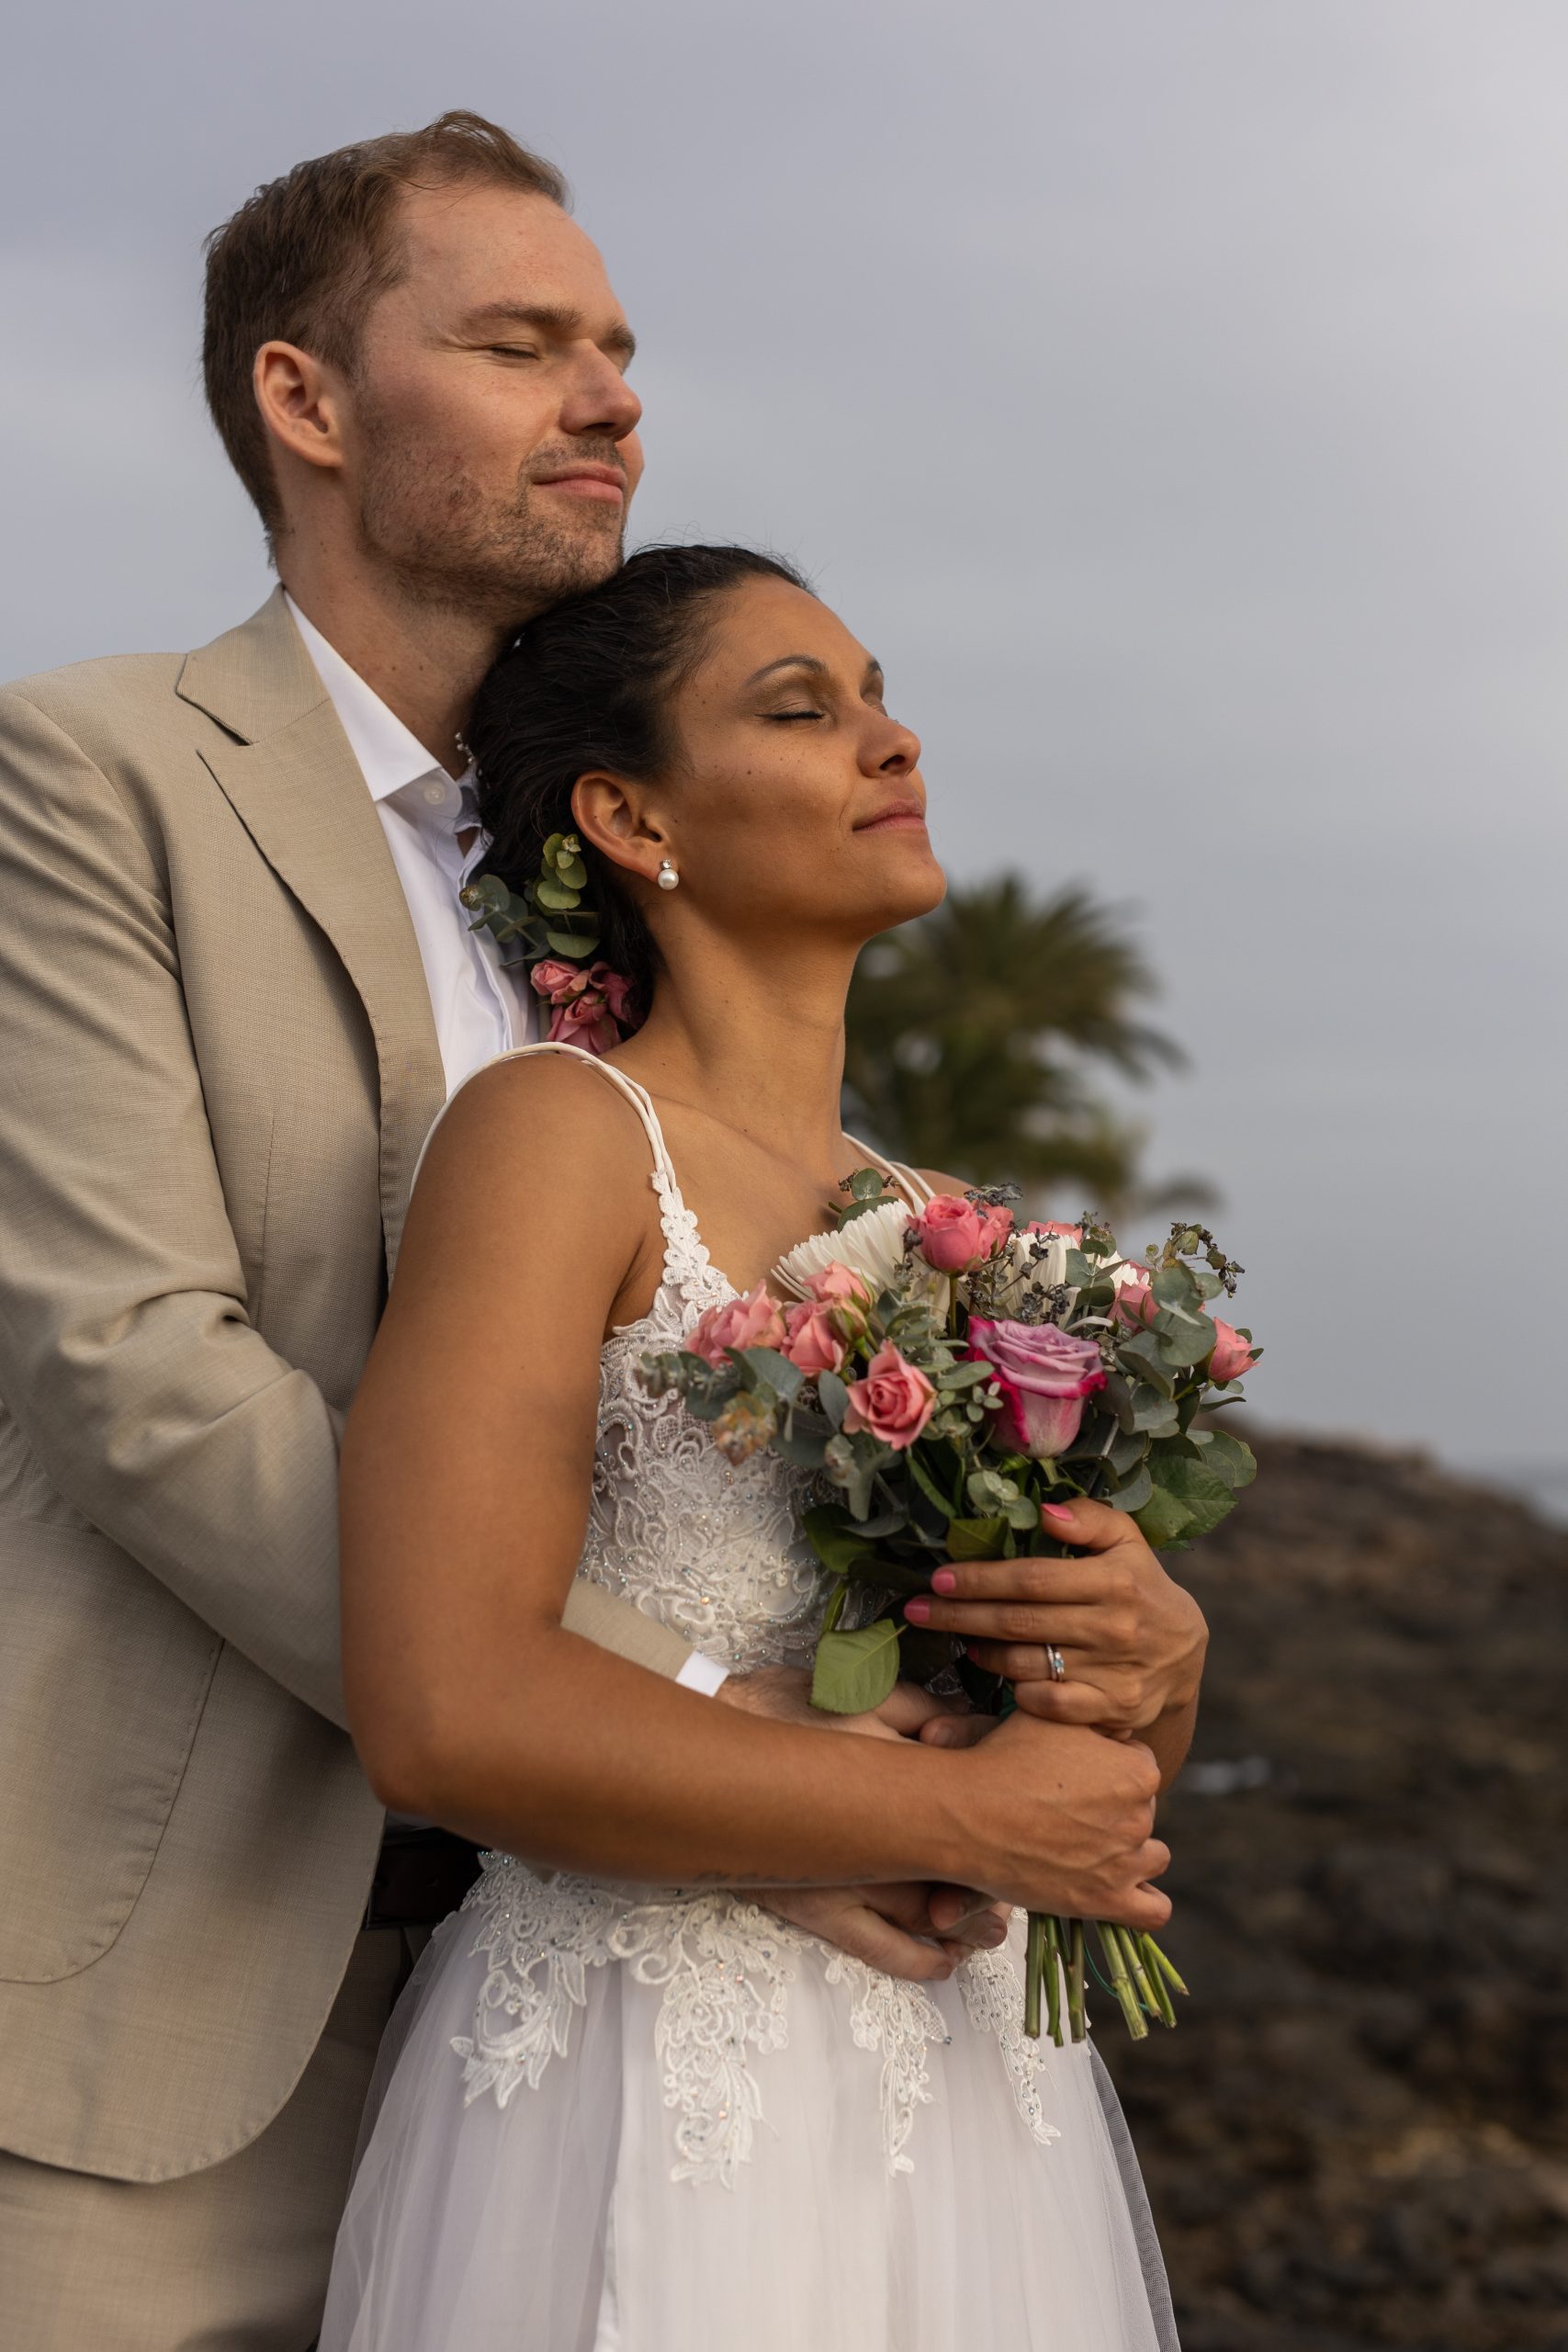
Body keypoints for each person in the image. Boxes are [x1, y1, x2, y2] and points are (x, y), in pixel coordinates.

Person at [0, 114, 1202, 2350]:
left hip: (722, 2034)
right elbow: (127, 1363)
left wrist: (1093, 1646)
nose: (611, 395)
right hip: (194, 2006)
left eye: (622, 347)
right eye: (523, 342)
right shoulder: (89, 777)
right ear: (307, 401)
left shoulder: (657, 914)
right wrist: (717, 1753)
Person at [316, 543, 1190, 2351]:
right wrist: (949, 1804)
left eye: (875, 695)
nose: (890, 741)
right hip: (650, 2070)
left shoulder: (951, 1230)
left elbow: (1069, 1771)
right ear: (633, 814)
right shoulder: (554, 1135)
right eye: (803, 709)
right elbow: (444, 1698)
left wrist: (1147, 1655)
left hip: (960, 2104)